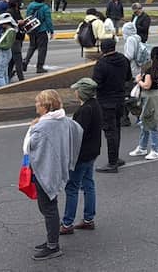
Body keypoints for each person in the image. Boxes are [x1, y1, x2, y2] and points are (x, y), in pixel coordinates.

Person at [25, 89, 83, 261]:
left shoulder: (42, 126)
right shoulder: (64, 120)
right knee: (49, 206)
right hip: (56, 168)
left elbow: (29, 147)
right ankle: (51, 240)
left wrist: (32, 128)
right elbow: (77, 130)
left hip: (45, 170)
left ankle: (53, 245)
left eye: (38, 102)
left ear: (46, 106)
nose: (36, 105)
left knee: (48, 208)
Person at [60, 78, 102, 236]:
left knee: (72, 188)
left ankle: (67, 222)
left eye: (77, 89)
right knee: (88, 184)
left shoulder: (85, 110)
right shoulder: (95, 105)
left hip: (81, 155)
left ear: (82, 93)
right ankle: (89, 219)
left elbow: (77, 134)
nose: (75, 92)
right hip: (92, 152)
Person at [93, 38, 132, 173]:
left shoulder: (101, 64)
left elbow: (95, 83)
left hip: (106, 102)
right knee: (117, 129)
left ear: (103, 50)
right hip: (120, 100)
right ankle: (116, 158)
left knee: (110, 132)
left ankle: (112, 163)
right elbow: (128, 78)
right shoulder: (123, 59)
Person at [129, 46, 158, 161]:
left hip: (150, 98)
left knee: (151, 124)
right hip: (157, 96)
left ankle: (155, 150)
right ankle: (143, 147)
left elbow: (147, 85)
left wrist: (138, 80)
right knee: (145, 123)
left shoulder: (150, 69)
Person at [24, 0, 54, 74]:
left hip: (32, 29)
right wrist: (51, 31)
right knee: (42, 49)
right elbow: (48, 20)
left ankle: (25, 62)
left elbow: (27, 17)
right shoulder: (45, 7)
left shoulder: (30, 6)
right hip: (42, 30)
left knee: (32, 46)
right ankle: (39, 67)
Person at [0, 13, 18, 88]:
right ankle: (5, 87)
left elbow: (7, 45)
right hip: (5, 53)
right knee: (3, 73)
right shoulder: (9, 31)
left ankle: (2, 88)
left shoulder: (10, 32)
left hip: (4, 53)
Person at [7, 0, 26, 82]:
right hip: (14, 38)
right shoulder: (10, 12)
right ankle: (21, 78)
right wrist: (19, 22)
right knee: (18, 58)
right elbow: (10, 24)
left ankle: (8, 75)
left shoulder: (16, 11)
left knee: (12, 59)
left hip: (19, 37)